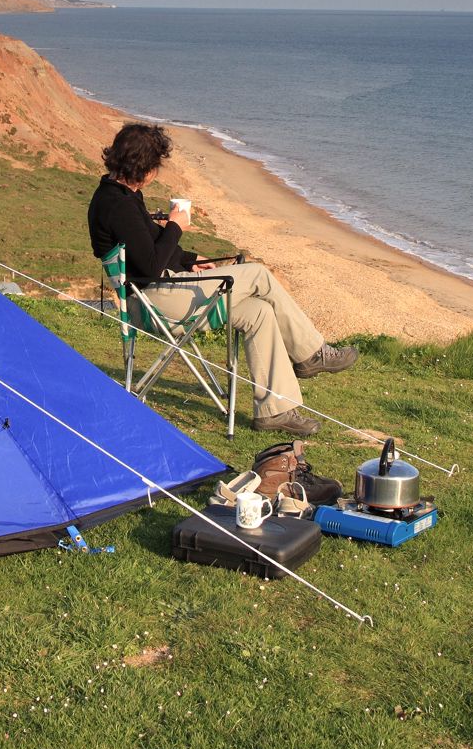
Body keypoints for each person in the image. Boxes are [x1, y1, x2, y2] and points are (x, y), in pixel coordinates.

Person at [87, 121, 357, 502]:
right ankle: (313, 354)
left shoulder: (118, 195)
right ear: (144, 168)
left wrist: (191, 259)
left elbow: (147, 246)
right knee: (260, 274)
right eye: (155, 166)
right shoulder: (118, 204)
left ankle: (274, 410)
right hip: (156, 301)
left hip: (160, 289)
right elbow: (148, 268)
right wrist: (177, 226)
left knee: (259, 311)